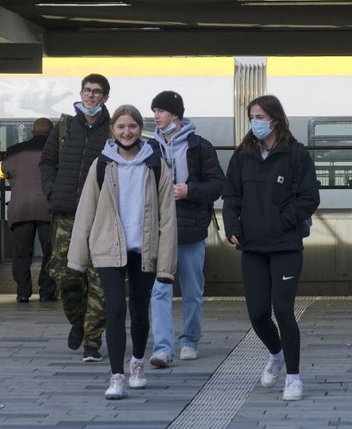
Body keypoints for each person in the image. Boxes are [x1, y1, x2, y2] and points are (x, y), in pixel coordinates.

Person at [68, 105, 176, 401]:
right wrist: (76, 260)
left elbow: (167, 217)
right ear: (112, 131)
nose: (126, 132)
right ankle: (117, 376)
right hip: (108, 247)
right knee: (115, 308)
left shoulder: (155, 164)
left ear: (140, 129)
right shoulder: (102, 164)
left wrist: (166, 265)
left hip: (145, 248)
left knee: (140, 311)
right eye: (121, 127)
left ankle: (138, 364)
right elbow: (85, 211)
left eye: (132, 126)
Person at [223, 95, 320, 402]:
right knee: (258, 314)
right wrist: (232, 227)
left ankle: (293, 376)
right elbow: (231, 197)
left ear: (275, 119)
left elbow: (309, 198)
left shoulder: (296, 155)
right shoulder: (243, 155)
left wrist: (282, 221)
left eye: (261, 116)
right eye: (252, 116)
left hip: (285, 246)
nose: (256, 122)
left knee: (283, 309)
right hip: (252, 247)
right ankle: (276, 354)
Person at [147, 90, 224, 370]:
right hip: (157, 230)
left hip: (191, 228)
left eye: (161, 111)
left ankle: (190, 340)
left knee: (192, 290)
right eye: (154, 110)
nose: (155, 115)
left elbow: (218, 185)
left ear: (175, 115)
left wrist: (190, 190)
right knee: (159, 290)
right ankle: (163, 348)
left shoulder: (200, 146)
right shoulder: (149, 148)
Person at [41, 73, 113, 362]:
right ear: (81, 93)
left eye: (97, 92)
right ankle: (78, 321)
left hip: (101, 217)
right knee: (64, 276)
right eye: (87, 91)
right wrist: (52, 191)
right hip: (67, 214)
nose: (91, 96)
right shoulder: (64, 127)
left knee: (99, 281)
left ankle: (92, 341)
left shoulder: (111, 130)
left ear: (106, 97)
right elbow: (47, 161)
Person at [1, 117, 57, 303]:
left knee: (22, 252)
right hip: (47, 209)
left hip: (21, 209)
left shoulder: (14, 151)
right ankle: (47, 292)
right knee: (50, 251)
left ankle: (23, 292)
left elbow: (2, 172)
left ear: (32, 132)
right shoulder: (56, 151)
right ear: (51, 134)